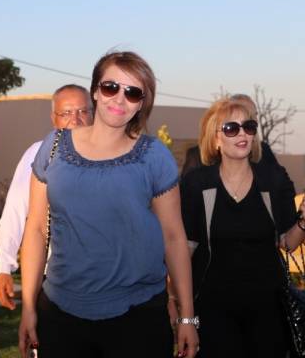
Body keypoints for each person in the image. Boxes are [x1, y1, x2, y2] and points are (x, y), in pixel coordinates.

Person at [18, 51, 198, 358]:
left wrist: (187, 318)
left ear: (142, 103)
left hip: (138, 319)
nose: (119, 99)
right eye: (111, 87)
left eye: (133, 92)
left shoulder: (154, 156)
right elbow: (35, 229)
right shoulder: (54, 146)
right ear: (95, 91)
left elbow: (173, 237)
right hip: (61, 316)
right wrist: (28, 307)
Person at [180, 97, 305, 357]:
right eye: (231, 128)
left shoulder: (273, 179)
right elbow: (184, 252)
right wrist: (183, 314)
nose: (242, 134)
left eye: (248, 126)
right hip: (213, 309)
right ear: (216, 139)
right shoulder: (197, 184)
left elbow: (288, 243)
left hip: (267, 309)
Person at [0, 84, 92, 309]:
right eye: (66, 113)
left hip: (104, 278)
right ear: (54, 119)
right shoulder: (38, 154)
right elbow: (15, 211)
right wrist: (3, 267)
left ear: (93, 115)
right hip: (53, 276)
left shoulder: (111, 157)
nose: (75, 120)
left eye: (83, 111)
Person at [180, 93, 279, 178]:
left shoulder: (265, 152)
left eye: (254, 115)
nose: (242, 132)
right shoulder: (196, 158)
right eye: (232, 127)